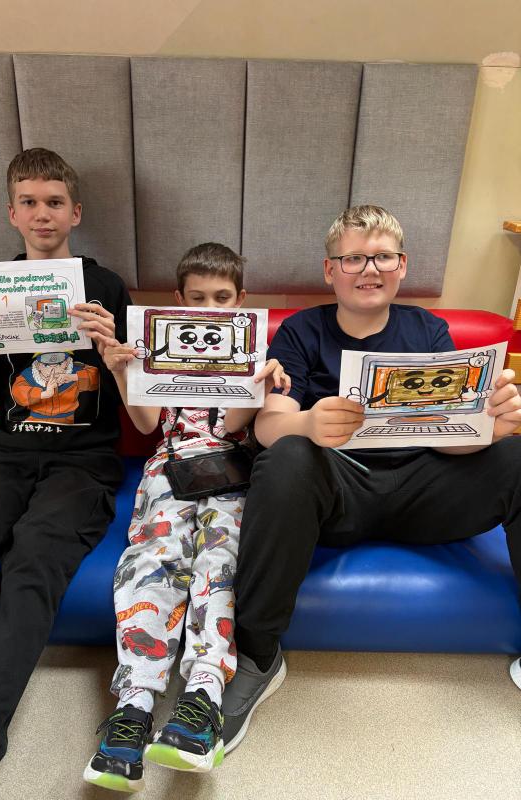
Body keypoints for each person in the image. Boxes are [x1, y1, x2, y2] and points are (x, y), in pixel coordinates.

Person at [220, 204, 521, 751]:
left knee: (518, 453)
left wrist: (490, 430)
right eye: (353, 258)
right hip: (340, 492)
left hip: (424, 487)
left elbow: (451, 437)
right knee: (286, 455)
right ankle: (258, 654)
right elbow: (267, 425)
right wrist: (308, 423)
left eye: (382, 257)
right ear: (330, 270)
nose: (369, 269)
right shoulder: (301, 331)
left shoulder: (428, 330)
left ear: (402, 266)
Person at [0, 147, 131, 799]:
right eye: (30, 202)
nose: (43, 214)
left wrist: (113, 351)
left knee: (33, 566)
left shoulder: (106, 286)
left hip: (83, 463)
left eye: (55, 202)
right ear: (12, 213)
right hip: (6, 453)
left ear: (76, 213)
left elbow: (133, 397)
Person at [83, 242, 290, 793]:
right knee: (152, 559)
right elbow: (146, 423)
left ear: (240, 300)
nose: (210, 307)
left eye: (222, 298)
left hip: (232, 466)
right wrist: (124, 371)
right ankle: (134, 704)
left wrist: (256, 382)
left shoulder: (256, 347)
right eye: (197, 298)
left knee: (219, 561)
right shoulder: (158, 344)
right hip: (169, 464)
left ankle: (203, 696)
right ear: (178, 299)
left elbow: (235, 427)